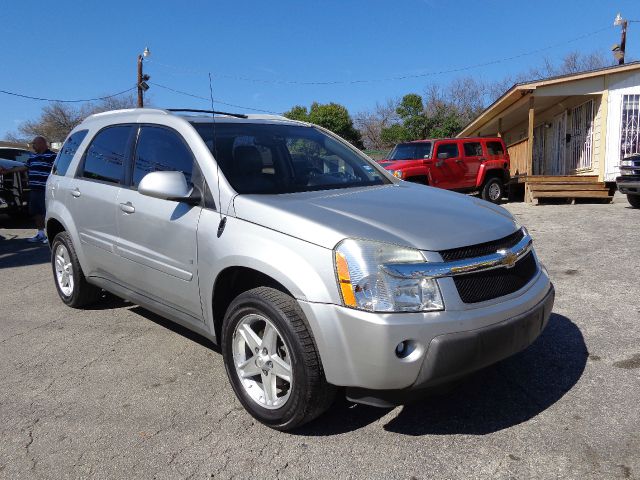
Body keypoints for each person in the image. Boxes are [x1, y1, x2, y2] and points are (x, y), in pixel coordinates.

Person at [24, 136, 56, 243]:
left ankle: (49, 235)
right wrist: (7, 171)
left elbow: (56, 171)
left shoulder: (52, 156)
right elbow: (24, 167)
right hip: (34, 190)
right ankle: (40, 234)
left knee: (46, 212)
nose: (33, 146)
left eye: (34, 144)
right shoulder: (32, 157)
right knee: (36, 212)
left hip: (45, 190)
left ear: (42, 143)